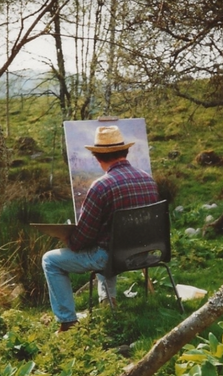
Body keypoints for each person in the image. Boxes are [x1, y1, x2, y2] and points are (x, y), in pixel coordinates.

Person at [42, 125, 159, 332]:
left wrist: (67, 237)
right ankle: (108, 302)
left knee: (50, 260)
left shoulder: (101, 186)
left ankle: (67, 322)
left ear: (98, 157)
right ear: (125, 151)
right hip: (143, 253)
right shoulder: (147, 179)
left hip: (112, 257)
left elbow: (83, 239)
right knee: (109, 242)